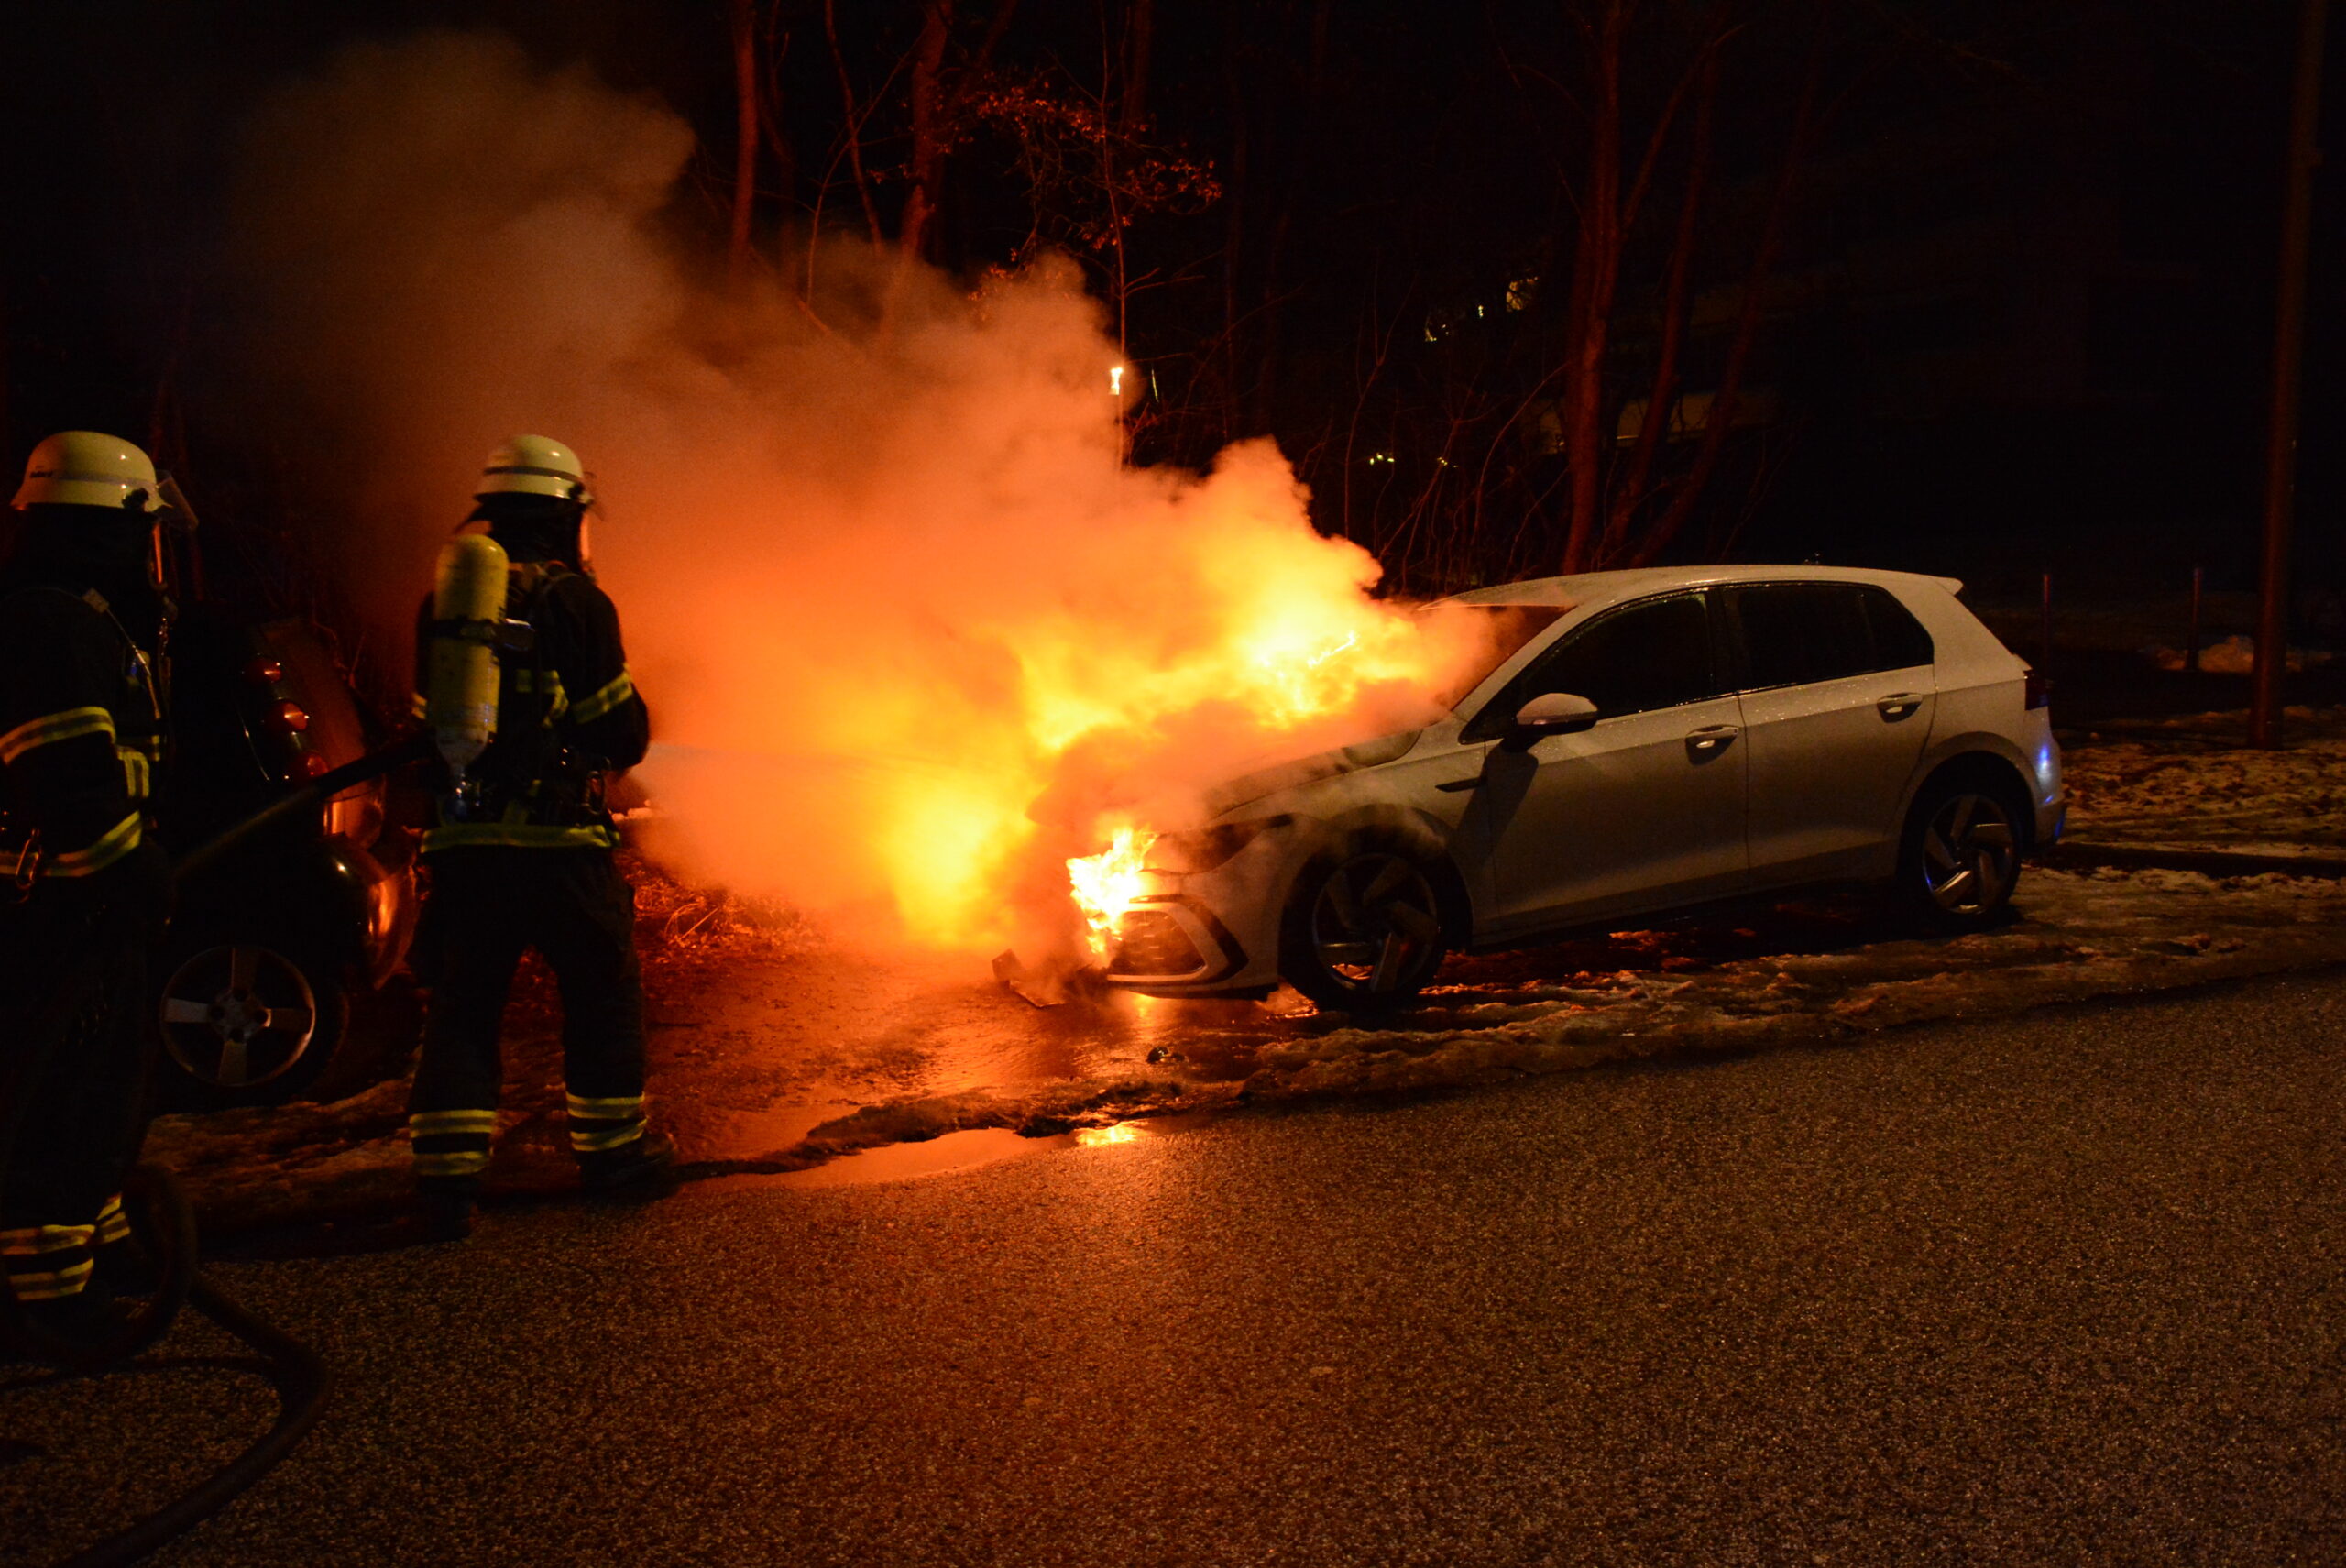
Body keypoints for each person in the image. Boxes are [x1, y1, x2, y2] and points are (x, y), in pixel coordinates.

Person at [407, 435, 669, 1238]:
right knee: (600, 998)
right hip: (560, 849)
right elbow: (618, 733)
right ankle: (613, 1159)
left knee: (463, 1009)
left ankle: (446, 1186)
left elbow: (428, 734)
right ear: (565, 517)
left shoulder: (445, 606)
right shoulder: (575, 603)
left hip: (468, 848)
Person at [0, 432, 175, 1344]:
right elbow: (69, 779)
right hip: (62, 907)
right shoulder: (50, 624)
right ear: (110, 526)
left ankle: (97, 1247)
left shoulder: (82, 616)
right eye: (143, 530)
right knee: (61, 1097)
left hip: (89, 900)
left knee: (106, 1089)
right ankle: (51, 1299)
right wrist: (126, 865)